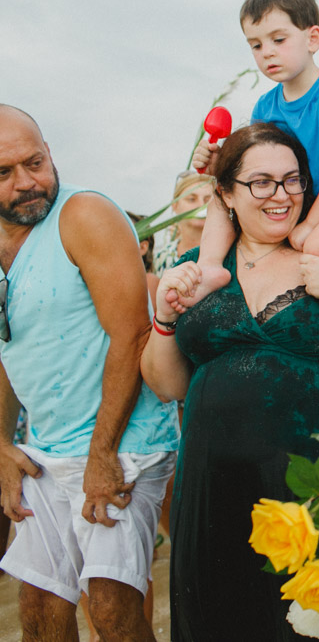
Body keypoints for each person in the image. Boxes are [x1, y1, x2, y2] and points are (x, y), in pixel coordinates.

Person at [141, 123, 319, 641]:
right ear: (225, 193)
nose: (282, 195)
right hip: (215, 488)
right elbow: (167, 385)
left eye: (293, 180)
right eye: (261, 182)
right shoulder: (198, 268)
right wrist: (165, 317)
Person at [0, 105, 179, 641]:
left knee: (111, 607)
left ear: (50, 153)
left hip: (125, 444)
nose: (27, 182)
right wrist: (1, 445)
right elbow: (6, 349)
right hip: (44, 449)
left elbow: (133, 334)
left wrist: (103, 454)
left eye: (35, 163)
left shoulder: (84, 216)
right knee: (38, 609)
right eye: (4, 173)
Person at [186, 0, 319, 379]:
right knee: (223, 197)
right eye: (256, 45)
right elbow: (251, 162)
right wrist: (215, 161)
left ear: (313, 38)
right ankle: (210, 267)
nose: (267, 52)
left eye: (278, 39)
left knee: (318, 242)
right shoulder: (266, 104)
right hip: (303, 205)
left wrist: (311, 223)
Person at [152, 171, 213, 276]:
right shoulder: (160, 258)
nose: (201, 205)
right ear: (175, 206)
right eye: (192, 199)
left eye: (208, 200)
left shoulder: (229, 255)